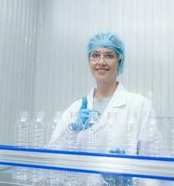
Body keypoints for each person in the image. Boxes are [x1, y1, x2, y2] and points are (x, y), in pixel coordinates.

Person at [49, 32, 167, 185]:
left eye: (109, 56)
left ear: (120, 60)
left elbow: (154, 164)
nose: (101, 62)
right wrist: (72, 130)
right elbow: (52, 158)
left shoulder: (139, 105)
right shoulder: (75, 109)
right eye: (95, 55)